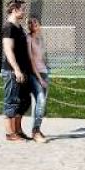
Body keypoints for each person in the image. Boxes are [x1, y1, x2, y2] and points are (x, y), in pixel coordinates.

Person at [0, 0, 34, 142]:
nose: (24, 12)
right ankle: (10, 133)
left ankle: (18, 130)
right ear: (14, 10)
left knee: (24, 101)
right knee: (11, 101)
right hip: (12, 71)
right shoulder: (8, 27)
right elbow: (8, 50)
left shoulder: (18, 27)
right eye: (22, 9)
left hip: (24, 70)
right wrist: (17, 70)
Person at [26, 15, 52, 143]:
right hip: (34, 74)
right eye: (31, 23)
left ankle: (37, 129)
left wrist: (48, 70)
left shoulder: (41, 39)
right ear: (29, 26)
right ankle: (35, 132)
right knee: (40, 100)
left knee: (42, 103)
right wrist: (39, 78)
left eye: (36, 22)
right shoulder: (28, 38)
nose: (34, 24)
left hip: (45, 72)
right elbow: (30, 60)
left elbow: (44, 57)